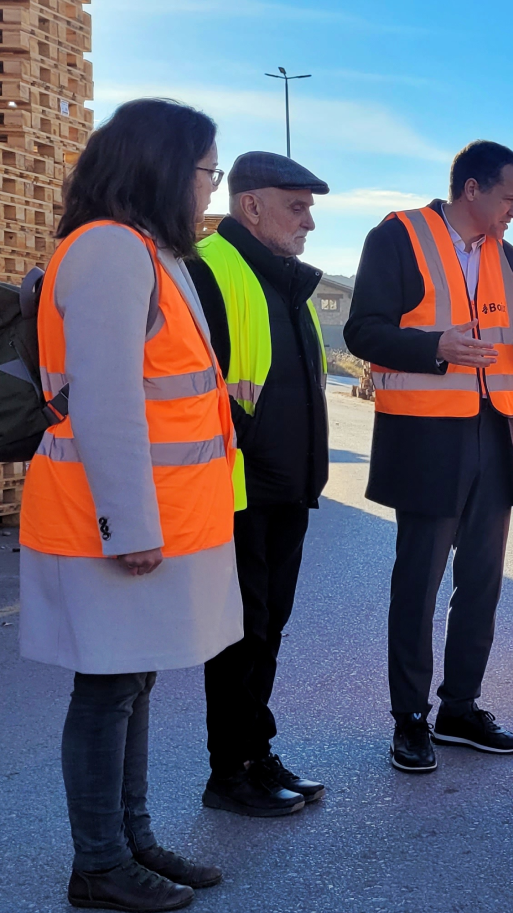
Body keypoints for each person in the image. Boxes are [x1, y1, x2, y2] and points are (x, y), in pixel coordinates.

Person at [20, 98, 240, 912]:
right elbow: (108, 405)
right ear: (164, 166)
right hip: (106, 521)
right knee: (109, 686)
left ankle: (131, 840)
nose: (209, 189)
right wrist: (130, 527)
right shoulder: (112, 252)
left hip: (147, 519)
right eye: (206, 172)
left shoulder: (143, 251)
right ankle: (101, 861)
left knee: (131, 680)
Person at [345, 140, 513, 774]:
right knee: (419, 583)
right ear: (472, 189)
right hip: (426, 437)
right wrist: (436, 346)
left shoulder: (509, 256)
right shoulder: (398, 237)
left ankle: (459, 708)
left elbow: (506, 347)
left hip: (494, 434)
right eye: (509, 198)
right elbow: (363, 331)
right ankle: (409, 719)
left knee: (482, 583)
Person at [186, 152, 331, 817]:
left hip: (283, 489)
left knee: (266, 629)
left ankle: (255, 750)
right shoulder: (211, 268)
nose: (308, 221)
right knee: (240, 636)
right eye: (296, 205)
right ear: (250, 206)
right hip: (236, 489)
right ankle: (230, 771)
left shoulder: (280, 279)